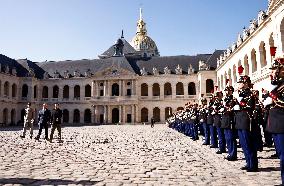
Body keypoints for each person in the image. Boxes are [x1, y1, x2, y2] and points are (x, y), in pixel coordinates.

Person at [234, 66, 258, 172]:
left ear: (245, 84)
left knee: (248, 143)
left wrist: (239, 100)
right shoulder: (241, 94)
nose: (237, 85)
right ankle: (248, 162)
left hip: (246, 121)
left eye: (239, 83)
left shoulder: (249, 95)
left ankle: (253, 164)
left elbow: (249, 107)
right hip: (239, 120)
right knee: (243, 144)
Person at [265, 56, 284, 185]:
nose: (272, 72)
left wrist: (273, 96)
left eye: (274, 69)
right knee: (282, 156)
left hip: (282, 124)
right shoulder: (277, 86)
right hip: (276, 124)